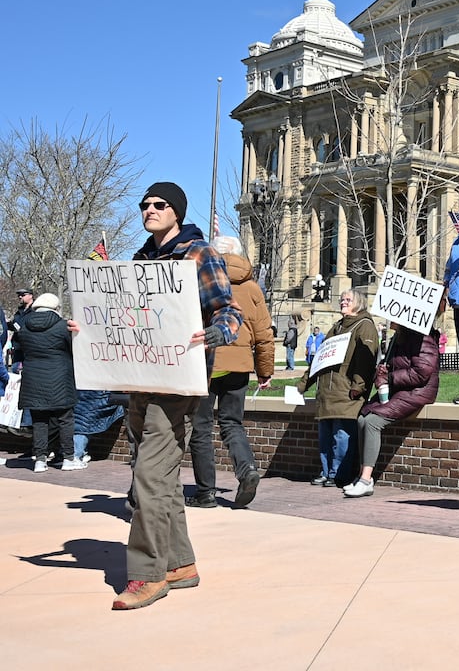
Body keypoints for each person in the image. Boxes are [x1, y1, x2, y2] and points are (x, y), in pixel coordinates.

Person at [102, 182, 243, 610]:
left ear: (177, 212)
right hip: (142, 376)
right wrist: (89, 330)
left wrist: (215, 334)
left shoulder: (200, 254)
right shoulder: (142, 259)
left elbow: (229, 312)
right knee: (158, 475)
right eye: (144, 204)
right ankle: (180, 563)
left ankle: (148, 574)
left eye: (159, 204)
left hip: (180, 378)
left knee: (147, 474)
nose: (149, 209)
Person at [186, 236, 275, 509]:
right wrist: (265, 370)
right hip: (238, 365)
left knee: (200, 428)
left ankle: (205, 492)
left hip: (206, 362)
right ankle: (246, 469)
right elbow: (264, 334)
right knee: (232, 423)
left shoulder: (201, 279)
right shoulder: (252, 287)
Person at [343, 317, 441, 498]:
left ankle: (366, 480)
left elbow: (422, 372)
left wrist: (389, 378)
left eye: (393, 318)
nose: (389, 320)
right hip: (399, 389)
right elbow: (395, 366)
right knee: (363, 417)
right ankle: (361, 475)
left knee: (372, 421)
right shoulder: (399, 337)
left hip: (417, 392)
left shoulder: (423, 339)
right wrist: (383, 371)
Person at [296, 289, 380, 488]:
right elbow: (319, 359)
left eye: (347, 300)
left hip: (346, 391)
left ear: (358, 303)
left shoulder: (364, 326)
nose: (343, 302)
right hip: (327, 391)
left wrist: (358, 386)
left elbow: (365, 360)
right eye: (342, 299)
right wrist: (302, 385)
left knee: (341, 436)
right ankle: (326, 472)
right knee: (325, 435)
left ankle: (338, 474)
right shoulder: (337, 327)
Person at [11, 293, 78, 472]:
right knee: (65, 418)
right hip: (60, 377)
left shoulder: (24, 327)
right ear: (56, 308)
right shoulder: (63, 326)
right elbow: (74, 348)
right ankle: (69, 459)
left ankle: (40, 460)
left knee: (39, 420)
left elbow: (17, 347)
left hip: (33, 377)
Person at [72, 388, 125, 467]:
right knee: (83, 427)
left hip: (81, 394)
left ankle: (77, 453)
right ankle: (76, 455)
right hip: (95, 394)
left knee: (81, 425)